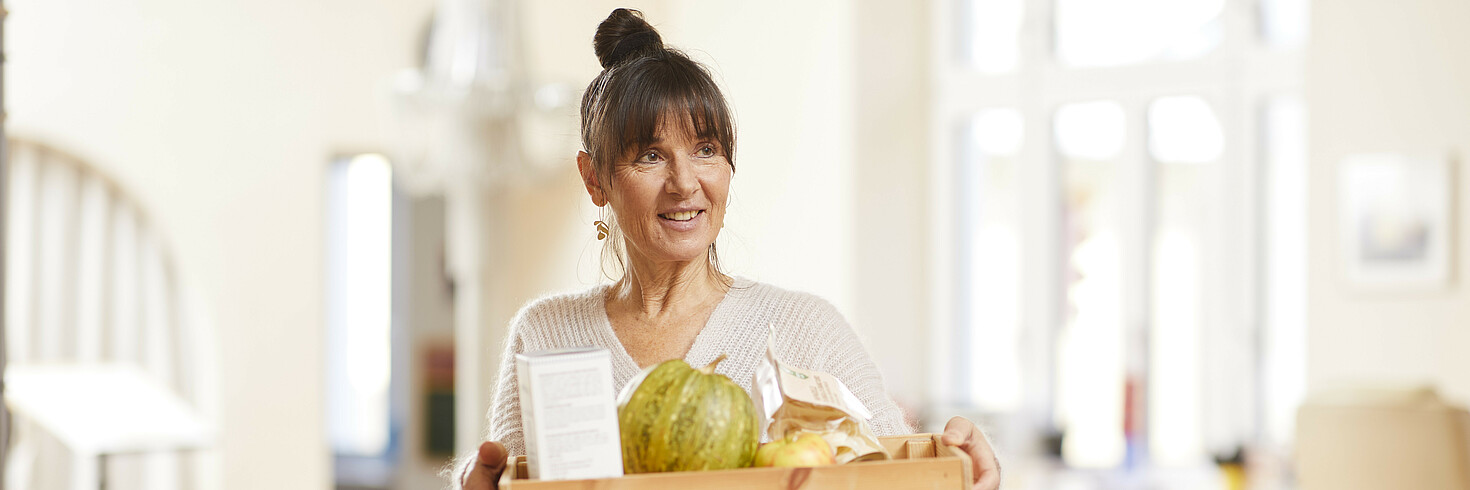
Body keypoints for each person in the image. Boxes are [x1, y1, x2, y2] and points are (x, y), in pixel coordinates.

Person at [453, 8, 1001, 490]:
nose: (685, 183)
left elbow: (900, 477)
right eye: (650, 156)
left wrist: (965, 477)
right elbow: (515, 481)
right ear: (594, 177)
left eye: (706, 150)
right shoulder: (545, 335)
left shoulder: (804, 330)